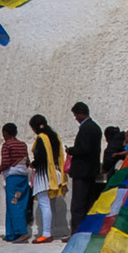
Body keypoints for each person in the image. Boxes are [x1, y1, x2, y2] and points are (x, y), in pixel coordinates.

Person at [27, 113, 66, 243]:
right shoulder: (54, 136)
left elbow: (41, 158)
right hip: (56, 172)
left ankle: (46, 233)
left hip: (44, 174)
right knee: (51, 204)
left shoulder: (41, 138)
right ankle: (51, 231)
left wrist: (33, 164)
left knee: (44, 204)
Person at [0, 121, 31, 243]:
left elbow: (6, 162)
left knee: (14, 204)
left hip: (12, 177)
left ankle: (22, 232)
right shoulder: (23, 144)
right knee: (18, 203)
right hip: (23, 177)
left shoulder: (7, 145)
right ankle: (11, 233)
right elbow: (27, 161)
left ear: (5, 133)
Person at [69, 102, 103, 235]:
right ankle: (87, 231)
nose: (76, 118)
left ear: (81, 113)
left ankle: (77, 233)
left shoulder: (86, 128)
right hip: (91, 171)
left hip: (82, 171)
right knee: (88, 203)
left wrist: (72, 150)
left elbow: (84, 149)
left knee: (78, 205)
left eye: (76, 115)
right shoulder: (95, 127)